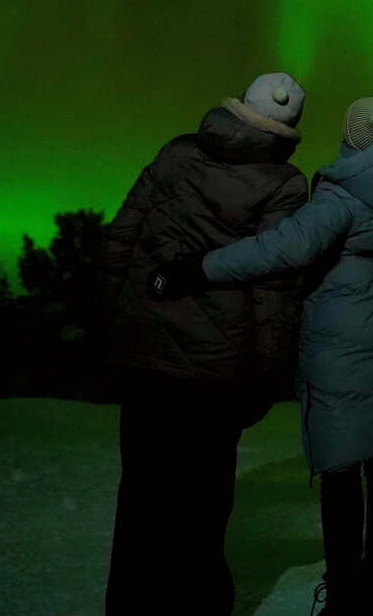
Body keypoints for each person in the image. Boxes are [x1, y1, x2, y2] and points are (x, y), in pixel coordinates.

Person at [148, 33, 373, 616]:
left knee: (340, 470)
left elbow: (275, 250)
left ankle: (345, 600)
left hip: (343, 354)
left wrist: (196, 269)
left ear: (351, 141)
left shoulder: (341, 202)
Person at [99, 68, 312, 615]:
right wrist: (268, 375)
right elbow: (274, 287)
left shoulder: (177, 153)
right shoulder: (285, 185)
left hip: (147, 356)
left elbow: (121, 238)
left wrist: (119, 323)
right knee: (202, 509)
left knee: (140, 501)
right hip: (217, 373)